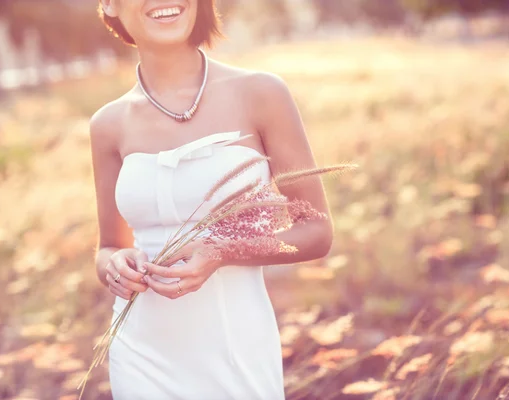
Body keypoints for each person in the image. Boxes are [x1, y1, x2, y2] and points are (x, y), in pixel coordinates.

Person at [89, 1, 334, 399]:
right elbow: (108, 248)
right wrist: (114, 266)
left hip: (236, 346)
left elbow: (317, 231)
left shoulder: (261, 92)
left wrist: (223, 250)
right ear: (110, 5)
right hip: (142, 351)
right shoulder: (107, 124)